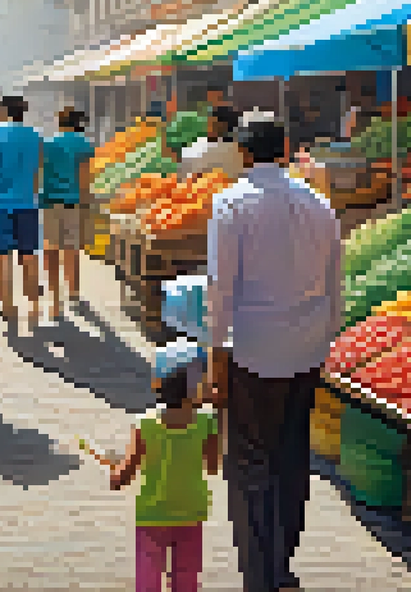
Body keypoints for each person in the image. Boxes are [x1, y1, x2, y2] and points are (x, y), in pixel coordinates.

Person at [205, 116, 340, 592]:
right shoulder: (321, 206)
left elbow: (220, 290)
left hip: (253, 352)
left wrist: (215, 357)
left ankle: (259, 573)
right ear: (284, 149)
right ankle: (281, 563)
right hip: (305, 350)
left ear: (243, 154)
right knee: (290, 455)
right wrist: (323, 341)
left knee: (250, 464)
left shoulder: (230, 205)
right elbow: (335, 290)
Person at [99, 340, 219, 592]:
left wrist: (114, 470)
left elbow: (122, 477)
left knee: (149, 574)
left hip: (153, 514)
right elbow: (212, 466)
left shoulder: (145, 424)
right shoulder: (208, 422)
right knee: (185, 576)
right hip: (191, 511)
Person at [0, 96, 44, 324]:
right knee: (28, 254)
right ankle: (33, 304)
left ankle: (7, 305)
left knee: (1, 255)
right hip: (27, 203)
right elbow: (37, 172)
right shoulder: (35, 136)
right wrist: (32, 195)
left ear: (4, 110)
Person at [41, 107, 95, 319]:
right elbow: (84, 177)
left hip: (49, 200)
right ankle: (73, 291)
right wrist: (86, 203)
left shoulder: (47, 144)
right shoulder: (82, 144)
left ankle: (54, 291)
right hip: (72, 202)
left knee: (50, 247)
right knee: (71, 247)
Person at [180, 107, 244, 180]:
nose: (209, 126)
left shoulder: (232, 150)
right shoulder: (198, 143)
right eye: (210, 123)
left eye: (214, 124)